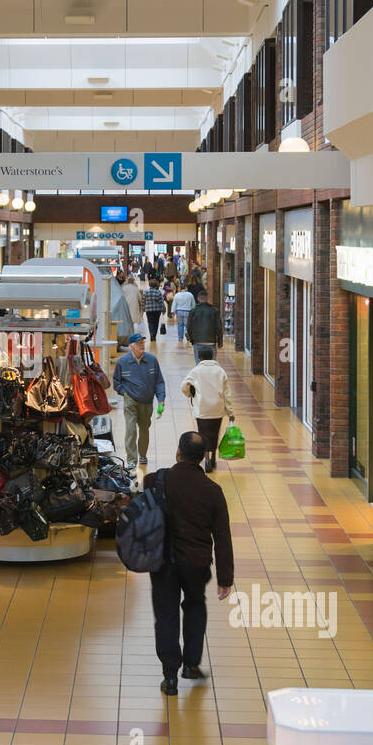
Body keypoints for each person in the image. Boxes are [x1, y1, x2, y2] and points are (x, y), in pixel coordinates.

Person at [143, 432, 234, 697]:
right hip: (196, 563)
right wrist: (225, 578)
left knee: (166, 615)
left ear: (178, 453)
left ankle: (170, 676)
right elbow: (222, 537)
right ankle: (191, 665)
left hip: (163, 562)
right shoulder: (213, 492)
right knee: (195, 608)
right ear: (203, 457)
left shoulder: (155, 481)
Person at [112, 333, 165, 466]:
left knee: (144, 429)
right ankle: (131, 460)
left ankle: (143, 455)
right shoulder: (123, 362)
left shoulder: (152, 360)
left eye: (142, 343)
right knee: (131, 429)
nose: (142, 346)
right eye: (138, 343)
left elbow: (159, 382)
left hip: (147, 401)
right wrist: (125, 394)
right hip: (131, 400)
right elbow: (116, 382)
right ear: (131, 346)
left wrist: (161, 400)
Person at [181, 345, 235, 473]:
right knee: (214, 434)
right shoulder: (220, 371)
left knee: (203, 435)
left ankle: (206, 460)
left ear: (200, 358)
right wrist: (230, 412)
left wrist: (190, 394)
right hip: (217, 409)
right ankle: (213, 458)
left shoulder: (196, 371)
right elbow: (227, 394)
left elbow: (183, 385)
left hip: (202, 410)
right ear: (212, 356)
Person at [186, 291, 223, 363]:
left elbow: (188, 327)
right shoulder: (214, 310)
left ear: (198, 299)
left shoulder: (193, 311)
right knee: (212, 364)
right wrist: (219, 341)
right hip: (211, 341)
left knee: (199, 364)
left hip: (198, 341)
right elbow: (219, 327)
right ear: (207, 298)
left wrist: (191, 339)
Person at [121, 273, 144, 340]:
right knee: (133, 320)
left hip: (125, 305)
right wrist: (142, 307)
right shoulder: (135, 288)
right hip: (134, 305)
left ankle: (127, 332)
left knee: (127, 319)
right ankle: (132, 333)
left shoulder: (123, 288)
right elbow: (140, 298)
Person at [142, 279, 166, 343]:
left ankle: (151, 334)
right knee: (156, 322)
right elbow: (161, 302)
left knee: (150, 322)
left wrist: (143, 308)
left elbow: (143, 301)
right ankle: (154, 335)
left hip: (149, 310)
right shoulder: (158, 292)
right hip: (157, 310)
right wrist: (163, 309)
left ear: (149, 284)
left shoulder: (146, 292)